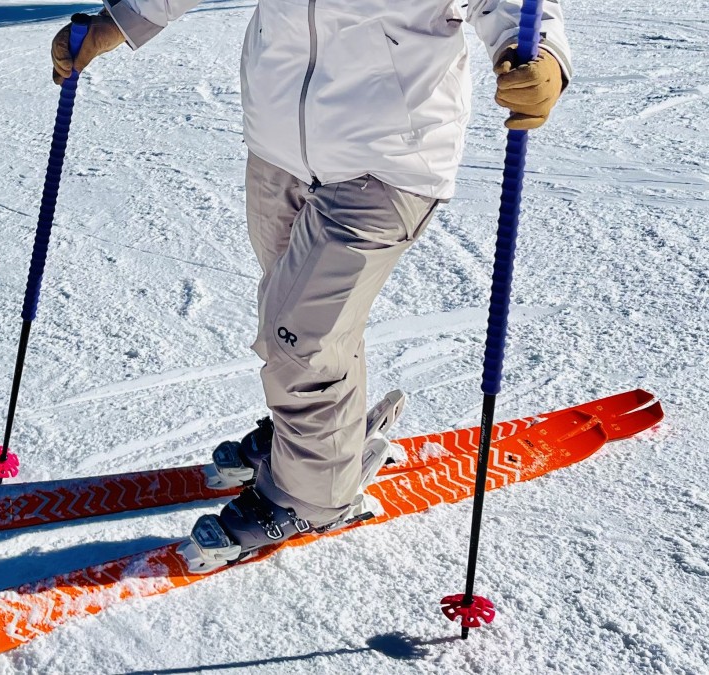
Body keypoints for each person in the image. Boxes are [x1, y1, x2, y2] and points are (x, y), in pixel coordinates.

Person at [50, 0, 570, 571]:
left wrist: (541, 55)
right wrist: (118, 22)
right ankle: (321, 443)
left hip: (389, 160)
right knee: (307, 322)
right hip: (278, 149)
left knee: (296, 334)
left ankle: (313, 494)